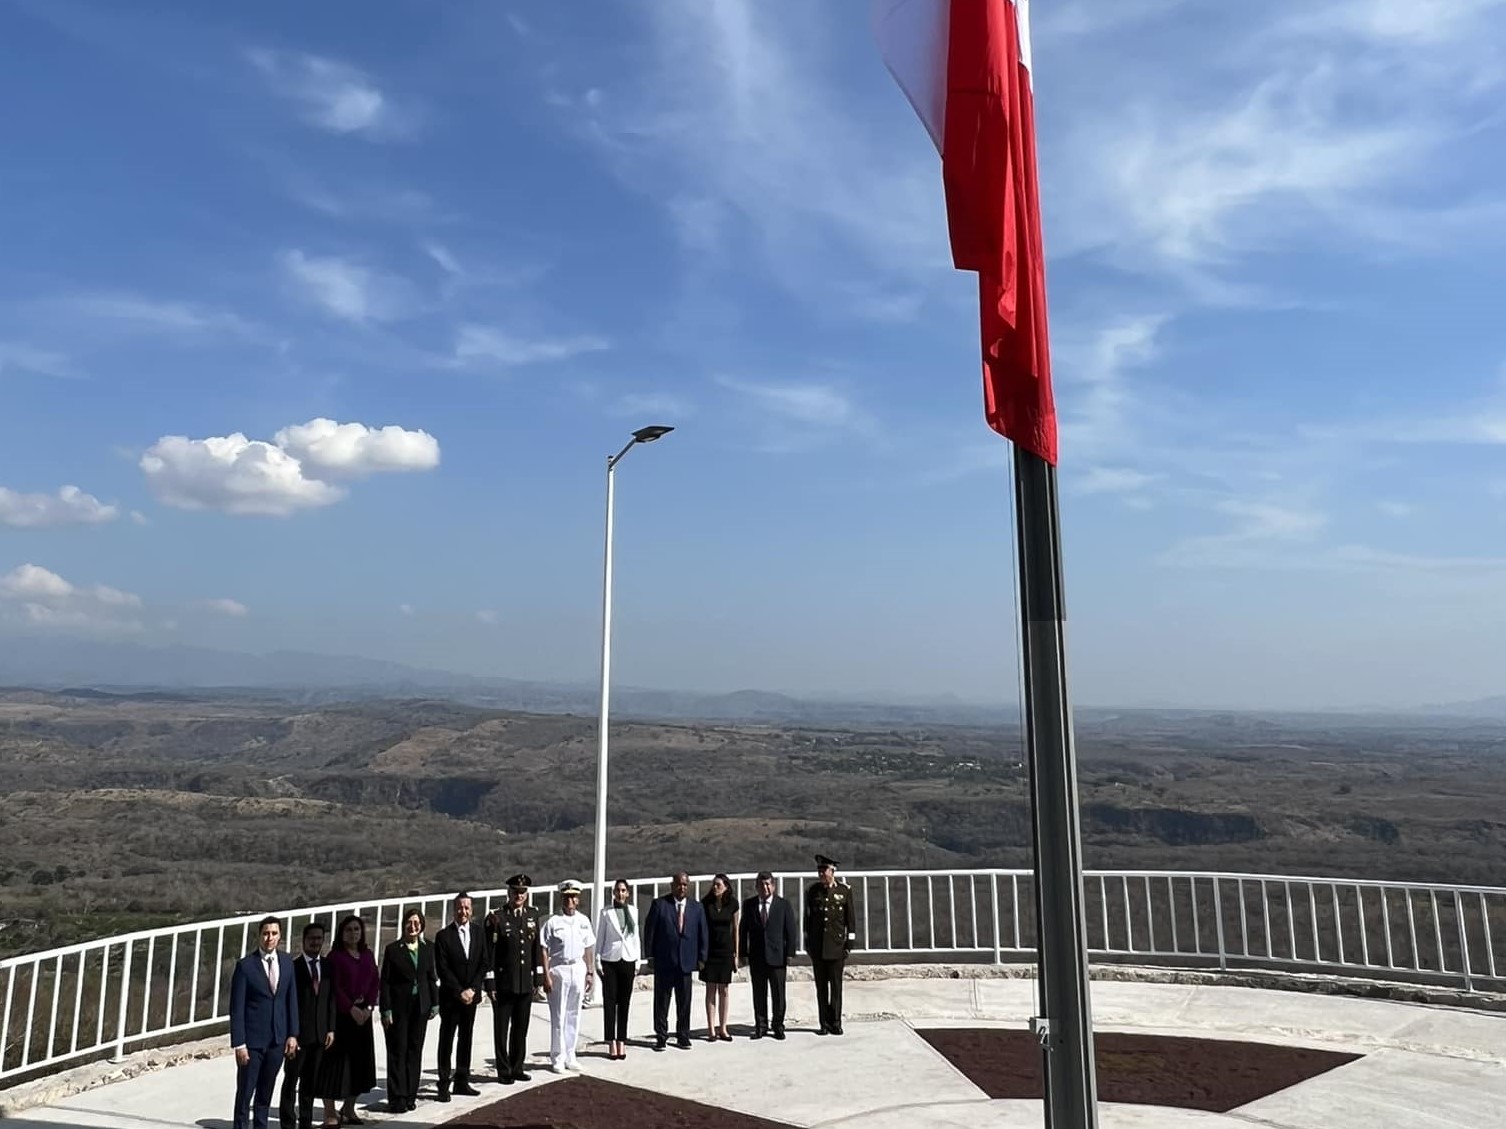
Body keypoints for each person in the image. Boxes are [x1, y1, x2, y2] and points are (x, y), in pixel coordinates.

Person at [229, 915, 299, 1129]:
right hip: (252, 1042)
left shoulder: (287, 962)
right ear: (259, 936)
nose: (270, 938)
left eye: (274, 933)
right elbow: (237, 1008)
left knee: (265, 1094)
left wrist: (292, 1034)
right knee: (245, 1094)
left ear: (280, 936)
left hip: (277, 1040)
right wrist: (239, 1043)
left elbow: (291, 1000)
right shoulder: (245, 966)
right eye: (266, 933)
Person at [313, 915, 379, 1126]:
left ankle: (349, 1108)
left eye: (357, 929)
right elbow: (335, 987)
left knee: (360, 1065)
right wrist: (351, 1009)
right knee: (333, 1067)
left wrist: (368, 1007)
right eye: (349, 930)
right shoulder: (335, 957)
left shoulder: (367, 955)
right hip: (342, 1017)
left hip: (364, 1017)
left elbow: (375, 982)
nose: (353, 933)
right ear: (342, 933)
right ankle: (330, 1113)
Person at [484, 873, 543, 1084]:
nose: (519, 895)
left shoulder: (532, 915)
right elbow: (489, 953)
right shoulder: (497, 917)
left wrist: (538, 978)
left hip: (524, 983)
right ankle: (504, 1069)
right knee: (501, 1030)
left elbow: (536, 949)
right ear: (509, 893)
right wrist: (489, 982)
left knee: (521, 1028)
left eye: (523, 892)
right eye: (516, 892)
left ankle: (518, 1066)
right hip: (503, 983)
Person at [379, 909, 439, 1114]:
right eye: (409, 922)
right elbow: (385, 981)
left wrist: (434, 1003)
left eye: (417, 923)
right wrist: (385, 1009)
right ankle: (397, 1097)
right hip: (399, 1007)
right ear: (403, 925)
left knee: (414, 1051)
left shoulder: (428, 948)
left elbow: (431, 977)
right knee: (398, 1051)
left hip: (420, 1006)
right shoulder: (393, 949)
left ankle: (410, 1095)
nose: (413, 927)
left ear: (421, 925)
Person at [641, 871, 708, 1051]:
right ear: (672, 886)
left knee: (684, 1001)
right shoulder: (660, 905)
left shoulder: (696, 908)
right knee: (662, 1002)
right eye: (679, 884)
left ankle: (683, 1035)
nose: (682, 887)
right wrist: (650, 956)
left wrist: (702, 957)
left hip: (686, 962)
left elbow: (703, 934)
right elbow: (650, 932)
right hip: (664, 961)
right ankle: (661, 1036)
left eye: (685, 884)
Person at [279, 922, 336, 1129]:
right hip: (298, 1035)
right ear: (304, 940)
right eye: (312, 938)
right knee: (291, 1080)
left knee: (310, 1083)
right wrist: (290, 1034)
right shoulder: (293, 968)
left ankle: (306, 1121)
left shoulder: (328, 966)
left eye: (319, 938)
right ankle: (287, 1122)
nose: (315, 942)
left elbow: (331, 999)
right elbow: (287, 1003)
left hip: (320, 1035)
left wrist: (331, 1028)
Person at [434, 892, 487, 1101]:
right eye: (459, 907)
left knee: (466, 1038)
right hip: (450, 997)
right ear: (453, 909)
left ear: (471, 910)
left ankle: (462, 1081)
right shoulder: (443, 936)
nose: (463, 911)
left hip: (471, 996)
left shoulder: (479, 932)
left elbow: (484, 962)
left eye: (466, 908)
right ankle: (443, 1083)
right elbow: (443, 968)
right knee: (446, 1039)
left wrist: (473, 989)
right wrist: (459, 991)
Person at [540, 879, 596, 1073]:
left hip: (578, 968)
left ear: (578, 899)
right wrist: (546, 975)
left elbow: (588, 947)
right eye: (566, 897)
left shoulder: (583, 921)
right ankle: (557, 1057)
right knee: (558, 1016)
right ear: (561, 898)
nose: (570, 900)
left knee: (574, 1014)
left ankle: (571, 1055)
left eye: (573, 897)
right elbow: (544, 950)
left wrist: (590, 972)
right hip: (559, 970)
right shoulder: (552, 922)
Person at [739, 871, 798, 1040]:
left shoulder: (783, 905)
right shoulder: (749, 905)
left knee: (778, 993)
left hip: (777, 957)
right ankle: (761, 1025)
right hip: (757, 956)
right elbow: (744, 930)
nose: (765, 888)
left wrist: (790, 952)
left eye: (768, 884)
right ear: (757, 887)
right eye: (761, 885)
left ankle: (778, 1025)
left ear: (773, 886)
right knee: (759, 993)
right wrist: (743, 952)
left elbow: (790, 931)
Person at [805, 853, 857, 1036]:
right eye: (819, 870)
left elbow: (850, 920)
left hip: (836, 947)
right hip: (818, 947)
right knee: (821, 988)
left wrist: (849, 944)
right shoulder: (812, 892)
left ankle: (835, 1021)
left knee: (836, 987)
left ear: (832, 871)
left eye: (824, 870)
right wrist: (807, 942)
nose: (821, 873)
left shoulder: (844, 891)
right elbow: (808, 919)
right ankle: (823, 1023)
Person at [594, 878, 641, 1061]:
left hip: (628, 959)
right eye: (617, 890)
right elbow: (601, 937)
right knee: (610, 1002)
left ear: (627, 893)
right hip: (610, 959)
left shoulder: (633, 912)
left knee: (624, 1002)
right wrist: (598, 960)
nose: (620, 894)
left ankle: (622, 1039)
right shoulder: (606, 912)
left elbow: (636, 938)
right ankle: (611, 1041)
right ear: (613, 893)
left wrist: (637, 960)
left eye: (623, 891)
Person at [699, 874, 739, 1042]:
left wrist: (736, 954)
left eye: (718, 885)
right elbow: (701, 928)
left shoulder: (733, 904)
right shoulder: (706, 903)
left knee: (724, 990)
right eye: (714, 885)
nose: (715, 888)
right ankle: (711, 1029)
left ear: (726, 887)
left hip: (725, 951)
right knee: (710, 989)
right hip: (710, 951)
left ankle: (723, 1028)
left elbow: (735, 929)